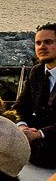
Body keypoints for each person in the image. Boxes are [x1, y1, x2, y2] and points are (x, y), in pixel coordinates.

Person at [14, 23, 56, 169]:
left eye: (48, 42)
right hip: (35, 132)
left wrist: (39, 134)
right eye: (38, 43)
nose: (42, 47)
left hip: (49, 137)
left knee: (43, 152)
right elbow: (21, 106)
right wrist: (22, 126)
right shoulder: (36, 72)